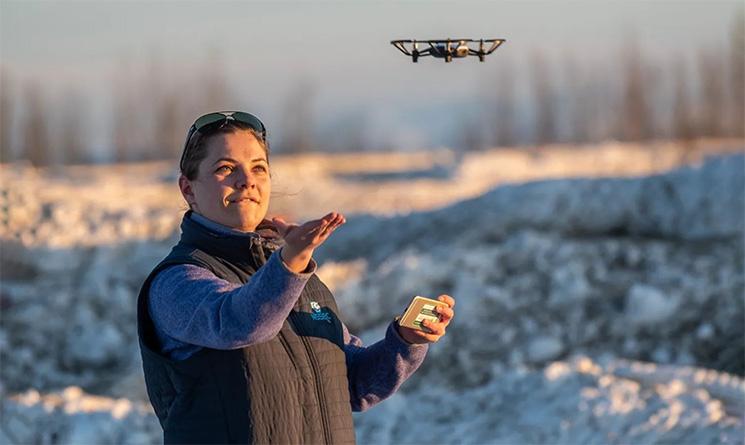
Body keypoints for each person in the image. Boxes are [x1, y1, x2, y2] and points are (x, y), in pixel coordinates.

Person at [136, 111, 456, 444]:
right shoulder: (176, 282)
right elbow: (238, 322)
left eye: (258, 167)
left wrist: (405, 341)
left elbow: (355, 384)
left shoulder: (302, 282)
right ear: (188, 188)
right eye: (225, 168)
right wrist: (291, 262)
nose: (247, 180)